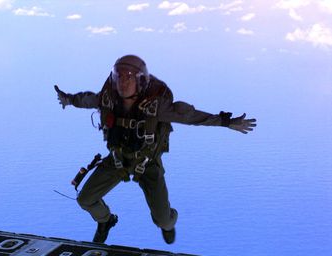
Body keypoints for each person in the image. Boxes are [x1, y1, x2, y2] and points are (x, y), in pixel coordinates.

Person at [54, 55, 256, 244]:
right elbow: (85, 99)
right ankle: (105, 220)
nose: (123, 82)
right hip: (117, 160)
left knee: (164, 221)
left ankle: (169, 222)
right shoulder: (107, 99)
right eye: (119, 77)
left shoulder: (157, 107)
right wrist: (68, 99)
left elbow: (191, 117)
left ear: (140, 81)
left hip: (147, 163)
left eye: (129, 77)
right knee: (85, 199)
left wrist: (225, 121)